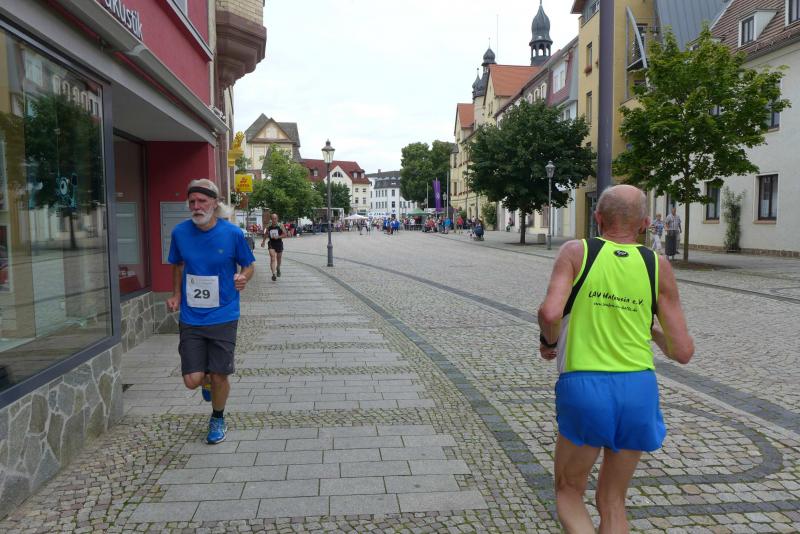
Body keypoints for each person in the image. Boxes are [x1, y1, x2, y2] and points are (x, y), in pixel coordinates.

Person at [537, 185, 693, 533]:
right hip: (638, 387)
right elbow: (682, 351)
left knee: (569, 490)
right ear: (645, 224)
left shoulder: (576, 252)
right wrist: (650, 329)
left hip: (586, 384)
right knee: (612, 500)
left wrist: (549, 342)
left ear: (597, 218)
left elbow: (550, 313)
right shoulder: (657, 265)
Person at [166, 179, 255, 444]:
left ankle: (217, 418)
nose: (196, 206)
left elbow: (248, 265)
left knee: (220, 374)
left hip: (223, 314)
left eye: (202, 201)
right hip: (191, 316)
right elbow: (177, 265)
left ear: (215, 203)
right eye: (192, 202)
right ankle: (204, 379)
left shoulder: (233, 234)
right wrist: (176, 294)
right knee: (191, 380)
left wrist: (243, 277)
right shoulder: (180, 233)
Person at [261, 212, 287, 281]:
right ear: (271, 219)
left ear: (277, 219)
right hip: (271, 243)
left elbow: (285, 234)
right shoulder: (268, 226)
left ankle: (278, 267)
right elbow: (266, 234)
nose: (274, 220)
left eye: (275, 218)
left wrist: (278, 237)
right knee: (272, 258)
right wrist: (263, 242)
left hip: (279, 243)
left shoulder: (280, 225)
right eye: (272, 218)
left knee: (279, 258)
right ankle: (273, 274)